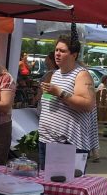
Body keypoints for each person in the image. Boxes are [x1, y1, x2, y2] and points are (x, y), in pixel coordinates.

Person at [38, 34, 98, 180]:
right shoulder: (55, 74)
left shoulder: (81, 75)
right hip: (47, 140)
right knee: (48, 186)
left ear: (74, 55)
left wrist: (59, 92)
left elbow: (88, 104)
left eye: (62, 51)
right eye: (56, 50)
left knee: (66, 187)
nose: (57, 54)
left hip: (68, 143)